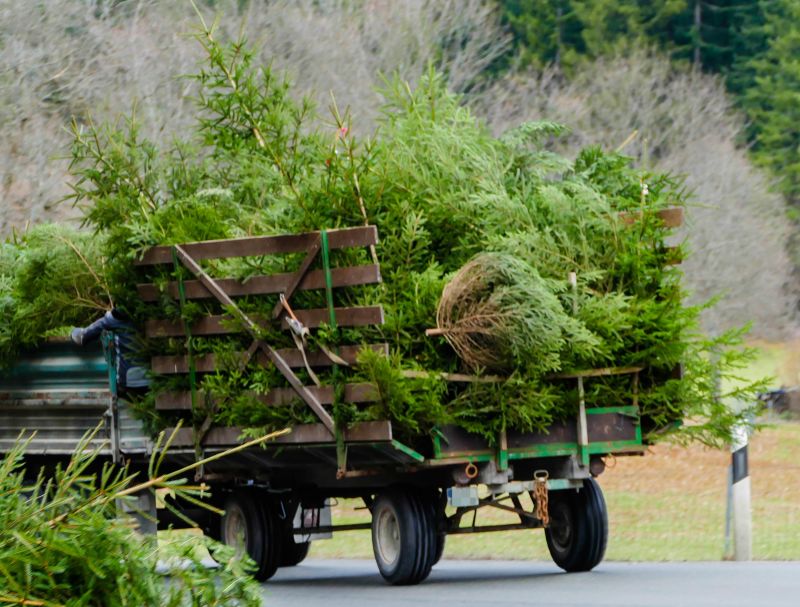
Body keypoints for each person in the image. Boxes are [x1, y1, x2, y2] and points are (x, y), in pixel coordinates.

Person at [71, 308, 150, 395]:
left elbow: (81, 337)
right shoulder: (152, 314)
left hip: (128, 382)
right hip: (153, 379)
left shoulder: (116, 317)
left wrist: (73, 331)